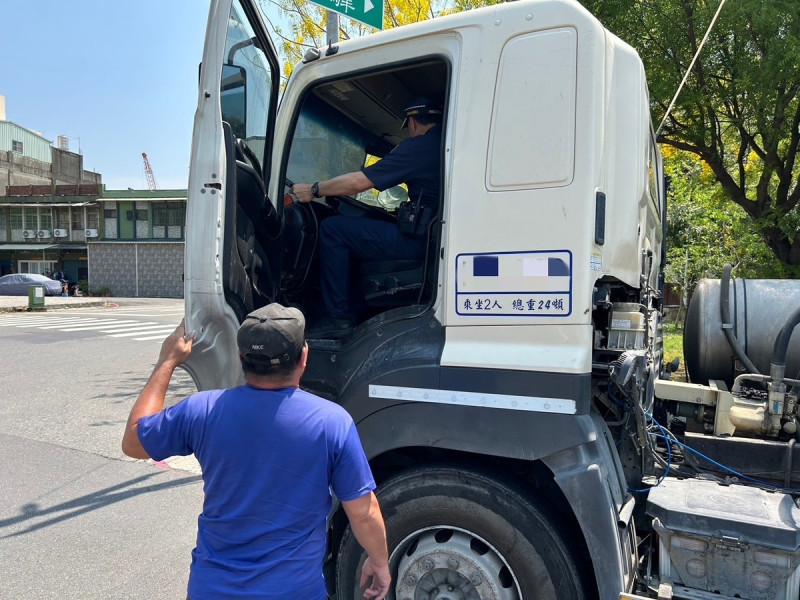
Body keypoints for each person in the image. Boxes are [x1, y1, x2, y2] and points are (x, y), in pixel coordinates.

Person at [121, 304, 391, 600]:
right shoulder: (331, 422)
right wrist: (379, 563)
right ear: (304, 357)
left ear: (240, 357)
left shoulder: (203, 410)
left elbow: (133, 442)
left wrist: (167, 360)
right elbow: (364, 513)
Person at [292, 97, 443, 337]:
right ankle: (356, 308)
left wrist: (313, 189)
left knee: (333, 229)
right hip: (434, 244)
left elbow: (358, 183)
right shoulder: (444, 145)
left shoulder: (420, 147)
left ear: (413, 122)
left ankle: (338, 317)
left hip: (417, 244)